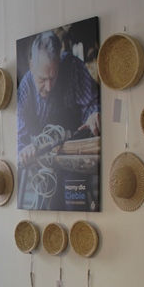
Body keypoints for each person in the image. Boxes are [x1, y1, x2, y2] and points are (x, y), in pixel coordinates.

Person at [17, 30, 100, 210]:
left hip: (73, 155)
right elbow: (19, 137)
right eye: (42, 79)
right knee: (49, 203)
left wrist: (94, 114)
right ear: (31, 66)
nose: (48, 87)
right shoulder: (25, 87)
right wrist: (24, 149)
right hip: (44, 161)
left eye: (53, 77)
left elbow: (92, 104)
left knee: (74, 202)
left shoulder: (73, 67)